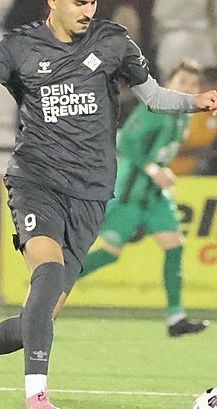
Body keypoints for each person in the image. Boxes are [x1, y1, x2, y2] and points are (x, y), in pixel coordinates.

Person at [0, 0, 217, 409]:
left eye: (94, 1)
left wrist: (194, 102)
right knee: (47, 273)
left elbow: (152, 96)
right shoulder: (18, 48)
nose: (89, 11)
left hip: (91, 194)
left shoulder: (113, 42)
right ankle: (37, 399)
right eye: (79, 2)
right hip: (35, 182)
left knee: (37, 319)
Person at [79, 59, 208, 336]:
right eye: (182, 81)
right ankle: (52, 283)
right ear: (169, 83)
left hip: (154, 196)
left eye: (193, 83)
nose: (187, 87)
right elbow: (125, 141)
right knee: (110, 254)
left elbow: (158, 151)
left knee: (175, 247)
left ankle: (176, 318)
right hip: (131, 193)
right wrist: (152, 169)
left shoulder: (183, 114)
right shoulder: (155, 108)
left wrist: (162, 171)